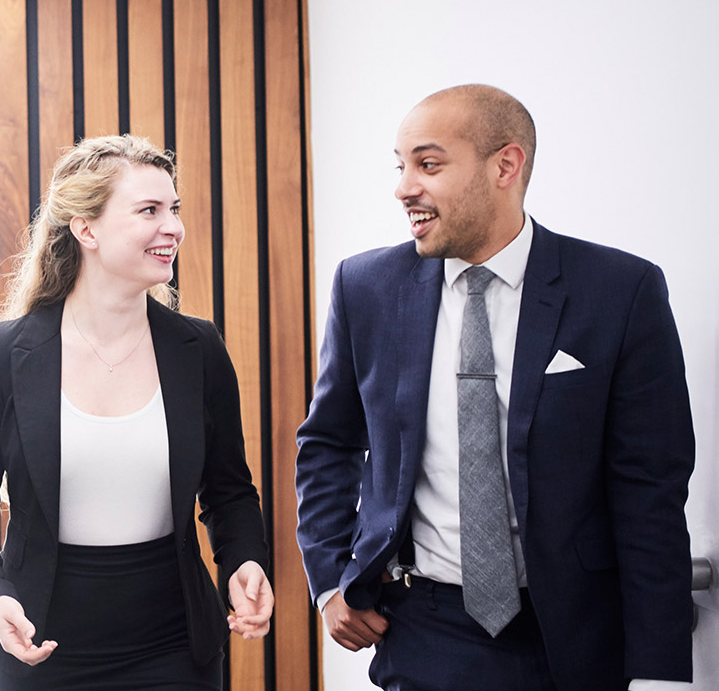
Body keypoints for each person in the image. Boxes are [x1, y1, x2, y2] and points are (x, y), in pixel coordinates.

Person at [294, 85, 695, 691]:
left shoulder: (620, 290)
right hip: (427, 628)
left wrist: (660, 672)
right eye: (400, 166)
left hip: (582, 633)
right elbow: (327, 443)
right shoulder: (366, 286)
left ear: (506, 165)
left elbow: (651, 492)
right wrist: (328, 580)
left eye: (428, 164)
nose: (405, 186)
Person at [0, 134, 274, 689]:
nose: (173, 227)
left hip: (175, 649)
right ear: (86, 229)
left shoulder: (200, 349)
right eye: (149, 210)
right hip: (38, 645)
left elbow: (230, 492)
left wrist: (245, 561)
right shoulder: (5, 354)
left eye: (174, 209)